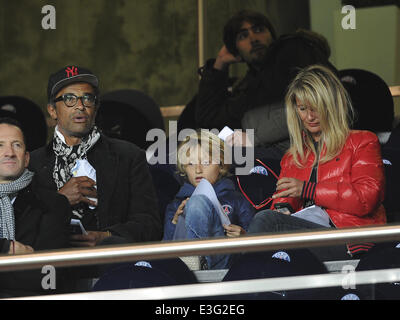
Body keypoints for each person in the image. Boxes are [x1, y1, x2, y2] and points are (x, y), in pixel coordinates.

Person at [247, 65, 386, 260]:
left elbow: (366, 199)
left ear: (331, 106)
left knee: (266, 223)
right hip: (309, 235)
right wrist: (284, 209)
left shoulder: (363, 141)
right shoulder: (293, 156)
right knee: (266, 223)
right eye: (303, 109)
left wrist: (308, 190)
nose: (310, 117)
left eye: (316, 109)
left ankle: (238, 282)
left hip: (351, 238)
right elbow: (282, 202)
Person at [29, 65, 162, 247]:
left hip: (110, 265)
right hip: (54, 269)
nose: (80, 106)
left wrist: (106, 237)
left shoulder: (129, 156)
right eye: (70, 99)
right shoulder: (32, 164)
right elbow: (22, 230)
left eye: (87, 98)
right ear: (52, 110)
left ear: (96, 108)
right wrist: (59, 200)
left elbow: (150, 225)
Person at [195, 10, 336, 159]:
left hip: (311, 151)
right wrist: (220, 63)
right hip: (272, 154)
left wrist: (254, 138)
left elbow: (318, 101)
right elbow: (208, 118)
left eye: (259, 30)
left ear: (271, 35)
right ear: (236, 50)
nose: (253, 39)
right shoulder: (250, 86)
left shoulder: (291, 50)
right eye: (243, 36)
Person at [163, 130, 255, 269]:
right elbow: (163, 251)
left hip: (224, 263)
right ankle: (196, 260)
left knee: (197, 202)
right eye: (191, 164)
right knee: (196, 203)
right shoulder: (176, 205)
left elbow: (257, 247)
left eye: (206, 162)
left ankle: (201, 261)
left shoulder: (236, 199)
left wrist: (243, 237)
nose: (198, 170)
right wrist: (175, 222)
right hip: (183, 265)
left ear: (221, 164)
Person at [0, 117, 71, 297]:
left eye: (16, 145)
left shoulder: (53, 205)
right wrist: (6, 248)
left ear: (26, 158)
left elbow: (47, 277)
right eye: (0, 145)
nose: (9, 153)